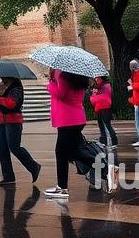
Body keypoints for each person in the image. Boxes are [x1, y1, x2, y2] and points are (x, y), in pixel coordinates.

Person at [45, 70, 103, 199]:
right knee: (68, 152)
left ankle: (106, 167)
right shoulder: (78, 75)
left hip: (67, 119)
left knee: (67, 153)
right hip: (76, 118)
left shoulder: (61, 74)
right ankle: (62, 187)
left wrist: (50, 85)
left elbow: (61, 94)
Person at [0, 77, 42, 186]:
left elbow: (12, 104)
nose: (1, 77)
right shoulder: (2, 86)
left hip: (13, 122)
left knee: (14, 147)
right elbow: (4, 102)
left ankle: (33, 166)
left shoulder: (16, 88)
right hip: (2, 121)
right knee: (1, 149)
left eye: (3, 76)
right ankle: (8, 176)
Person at [89, 77, 117, 149]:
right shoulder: (103, 86)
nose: (96, 80)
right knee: (103, 125)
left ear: (101, 79)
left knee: (106, 125)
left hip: (103, 108)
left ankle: (111, 142)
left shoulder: (103, 87)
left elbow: (94, 99)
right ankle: (104, 142)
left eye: (97, 79)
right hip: (101, 108)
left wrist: (94, 95)